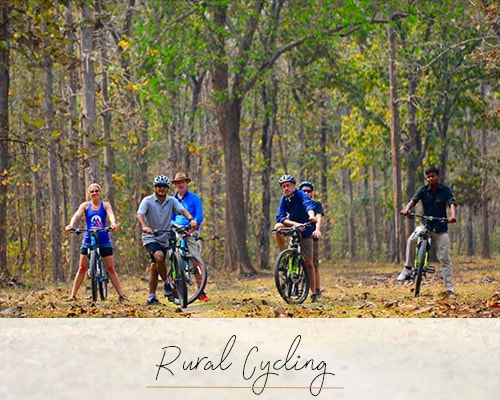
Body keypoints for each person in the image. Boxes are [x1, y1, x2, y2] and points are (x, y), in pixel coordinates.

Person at [136, 175, 198, 305]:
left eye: (164, 186)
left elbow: (183, 211)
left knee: (155, 265)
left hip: (164, 237)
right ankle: (166, 284)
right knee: (159, 257)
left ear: (168, 188)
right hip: (150, 236)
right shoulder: (147, 201)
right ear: (154, 187)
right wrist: (144, 226)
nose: (161, 188)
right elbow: (140, 214)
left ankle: (151, 297)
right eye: (159, 186)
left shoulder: (171, 201)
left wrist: (191, 219)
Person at [398, 166, 458, 296]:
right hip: (426, 225)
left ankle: (449, 287)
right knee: (411, 240)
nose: (431, 179)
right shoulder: (423, 190)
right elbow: (413, 200)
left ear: (438, 177)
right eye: (428, 177)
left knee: (445, 258)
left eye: (433, 176)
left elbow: (451, 202)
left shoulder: (445, 190)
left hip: (441, 227)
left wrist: (452, 216)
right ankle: (408, 268)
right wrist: (407, 209)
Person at [65, 183, 125, 301]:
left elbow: (111, 214)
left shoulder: (105, 205)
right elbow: (77, 214)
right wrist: (71, 225)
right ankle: (73, 295)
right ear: (89, 194)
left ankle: (121, 295)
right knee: (82, 268)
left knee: (111, 268)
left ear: (100, 192)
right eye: (92, 191)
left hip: (103, 238)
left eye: (96, 191)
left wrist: (113, 223)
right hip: (88, 238)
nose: (94, 193)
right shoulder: (85, 206)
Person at [273, 174, 318, 302]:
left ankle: (313, 292)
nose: (286, 188)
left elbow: (308, 205)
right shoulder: (284, 200)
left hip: (305, 231)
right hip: (293, 228)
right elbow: (280, 217)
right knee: (277, 228)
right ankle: (284, 256)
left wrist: (311, 216)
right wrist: (294, 224)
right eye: (283, 187)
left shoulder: (301, 195)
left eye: (288, 186)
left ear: (293, 186)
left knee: (308, 262)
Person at [171, 172, 210, 302]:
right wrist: (174, 226)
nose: (181, 184)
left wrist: (194, 224)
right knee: (173, 258)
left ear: (186, 183)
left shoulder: (195, 198)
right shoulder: (171, 200)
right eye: (178, 182)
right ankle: (175, 288)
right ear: (175, 185)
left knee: (196, 261)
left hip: (191, 231)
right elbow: (168, 217)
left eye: (183, 182)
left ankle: (201, 291)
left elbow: (199, 215)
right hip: (176, 231)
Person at [298, 181, 324, 298]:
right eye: (303, 191)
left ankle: (316, 290)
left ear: (312, 193)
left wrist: (317, 230)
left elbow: (318, 218)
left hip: (311, 236)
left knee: (313, 264)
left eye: (308, 191)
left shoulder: (316, 204)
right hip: (298, 235)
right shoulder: (298, 205)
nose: (306, 193)